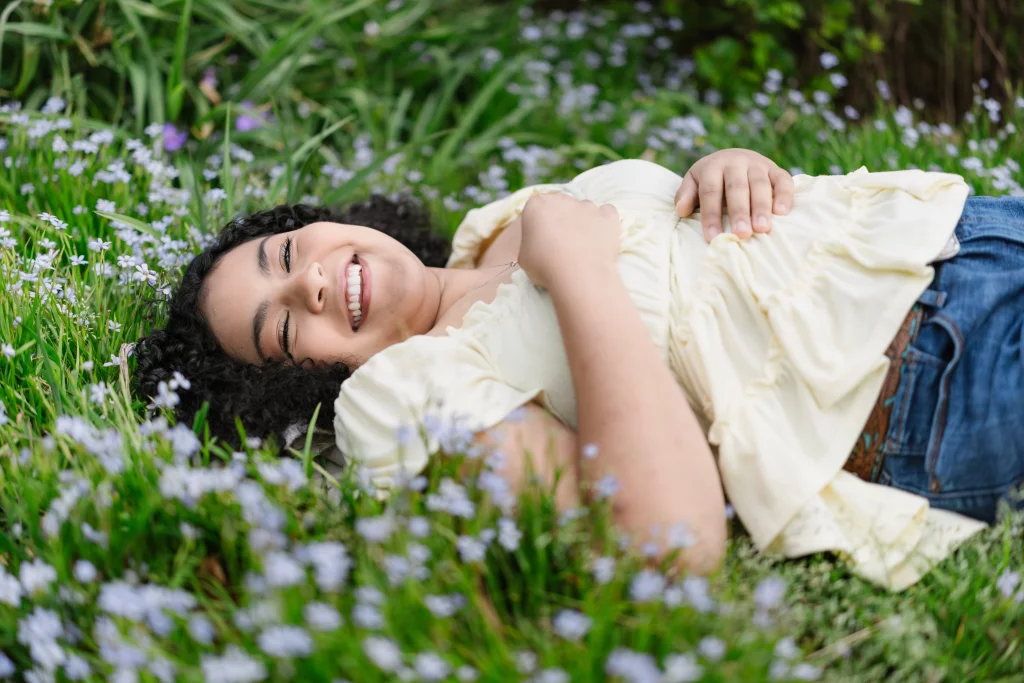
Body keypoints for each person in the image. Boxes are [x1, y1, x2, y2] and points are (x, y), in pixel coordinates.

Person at [133, 148, 1024, 590]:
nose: (313, 279)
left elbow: (705, 255)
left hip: (963, 230)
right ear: (302, 385)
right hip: (936, 378)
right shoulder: (400, 396)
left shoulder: (501, 218)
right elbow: (670, 540)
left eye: (288, 252)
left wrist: (734, 170)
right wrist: (579, 275)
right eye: (285, 328)